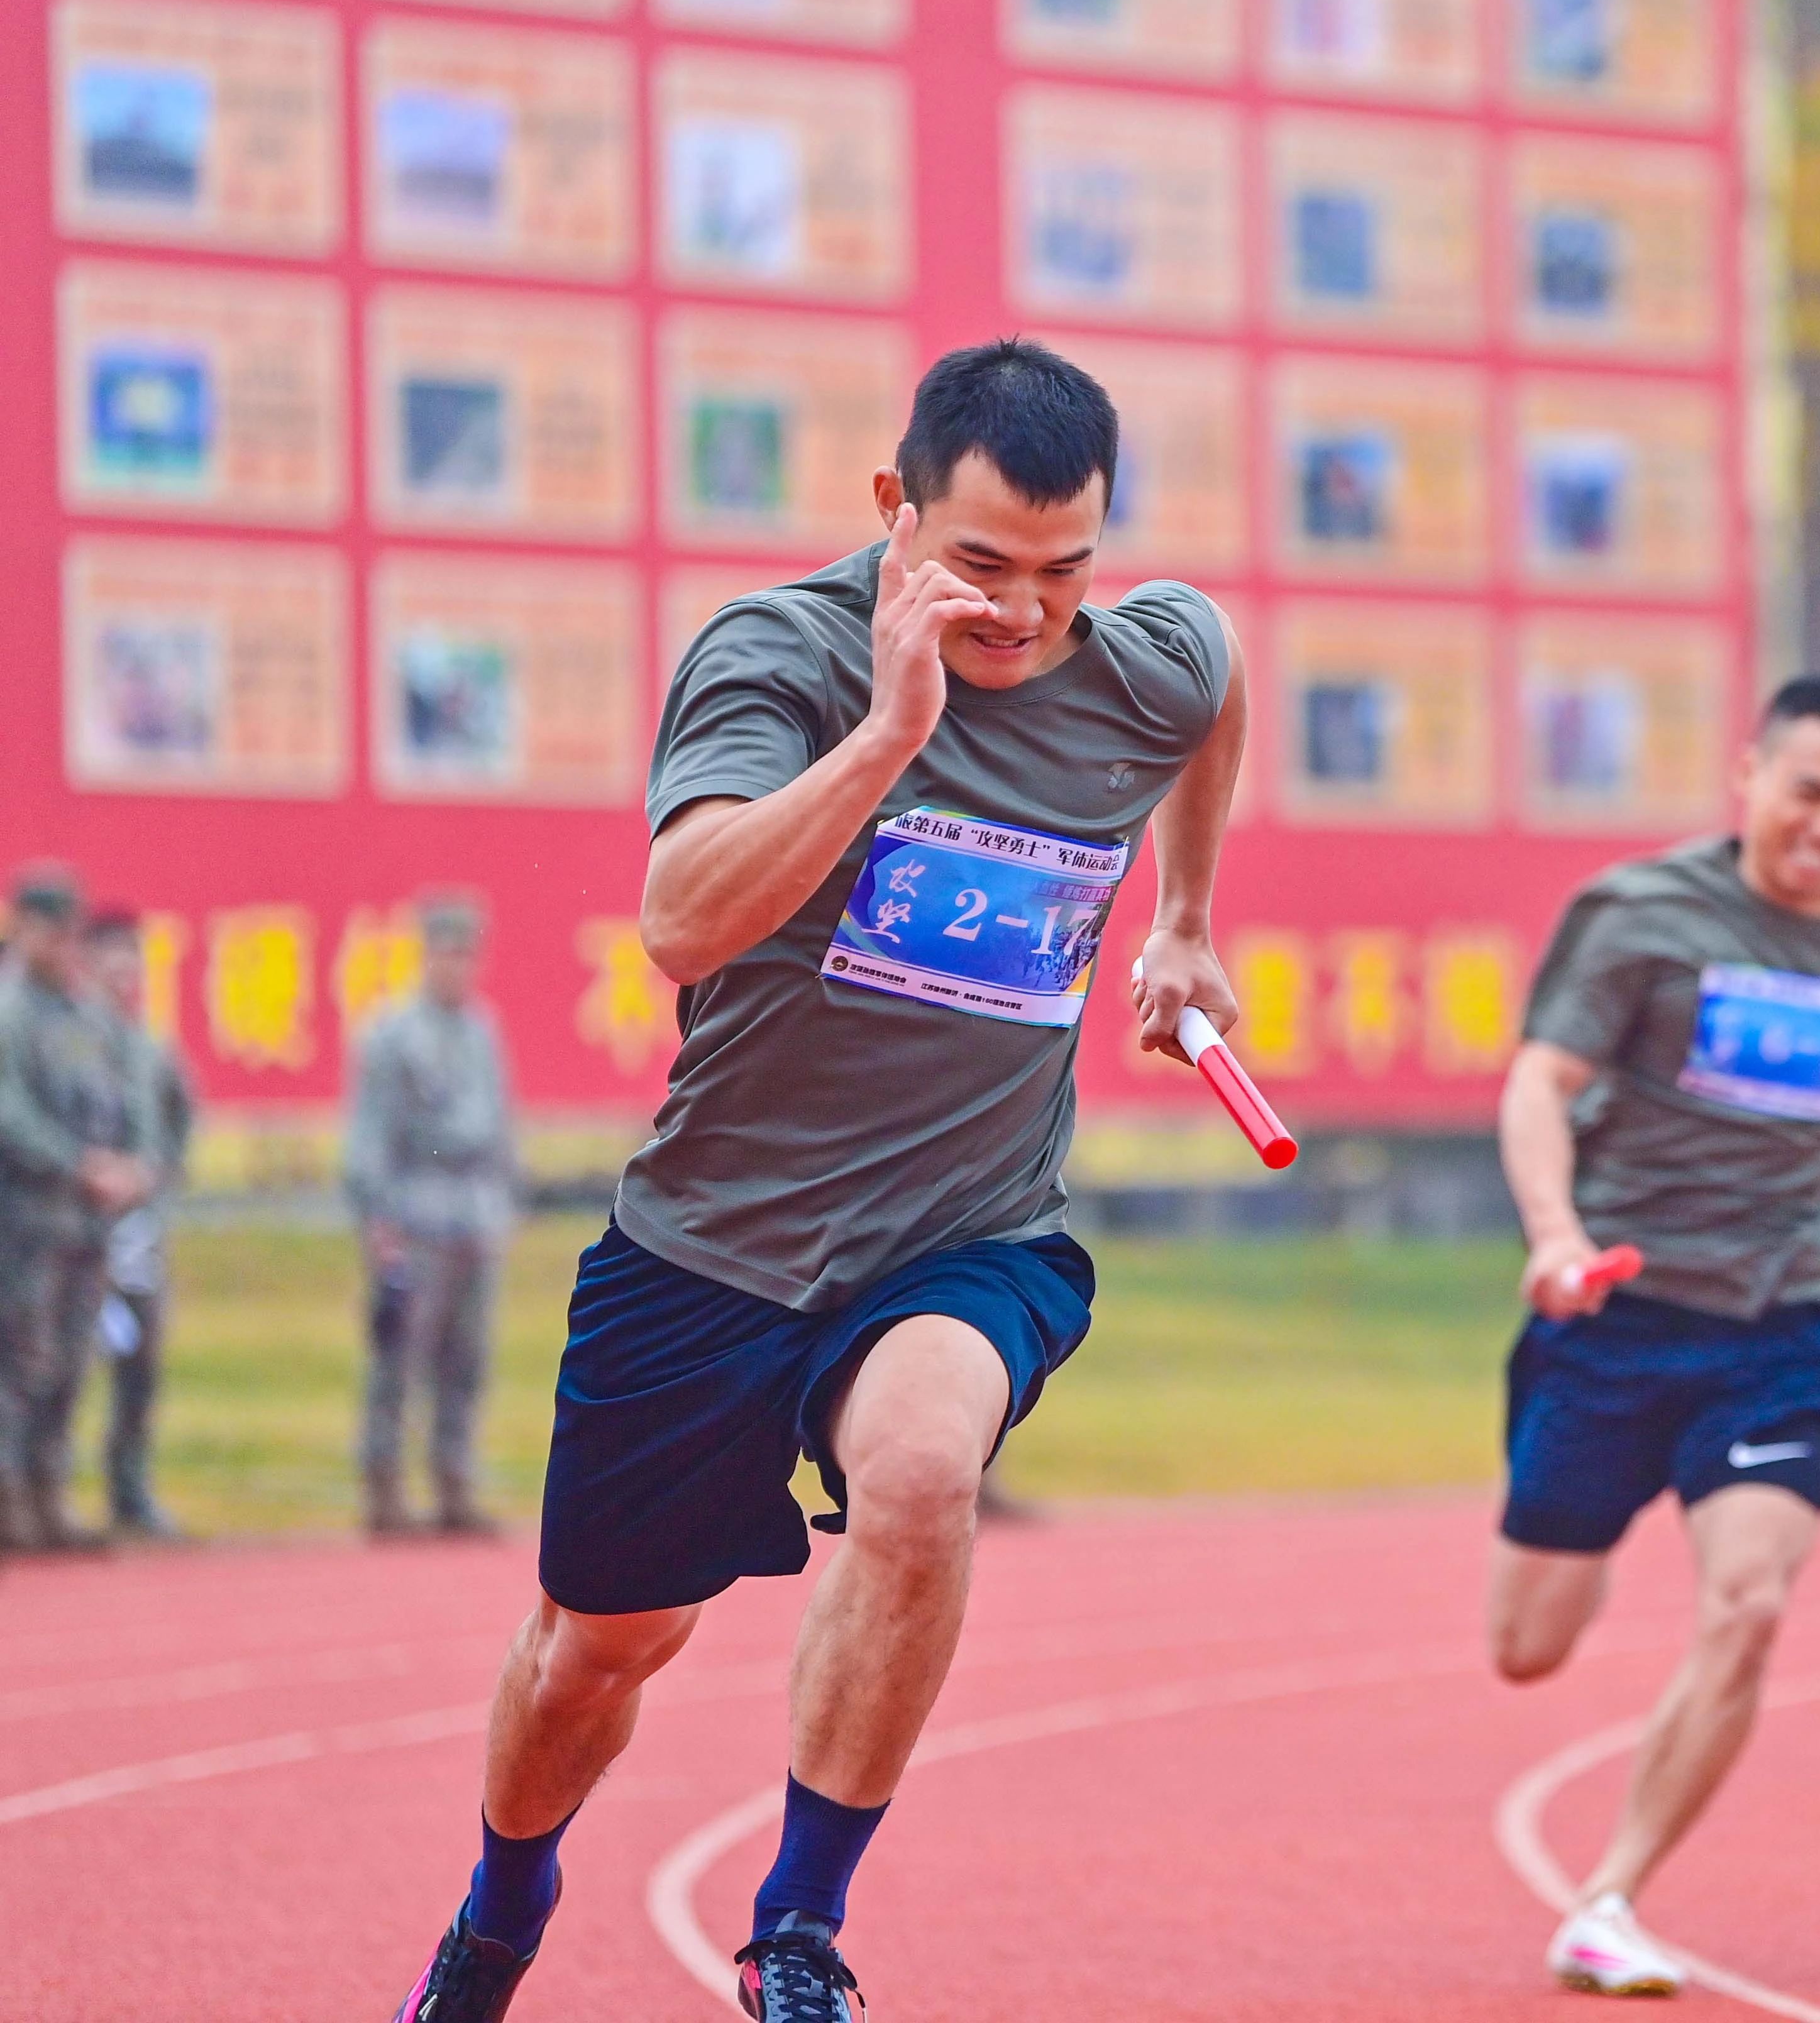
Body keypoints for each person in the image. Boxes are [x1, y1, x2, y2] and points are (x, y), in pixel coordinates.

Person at [383, 338, 1248, 2023]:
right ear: (896, 511)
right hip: (714, 1245)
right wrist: (887, 736)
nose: (1024, 612)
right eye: (981, 565)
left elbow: (1212, 680)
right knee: (598, 1654)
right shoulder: (776, 656)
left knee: (922, 1476)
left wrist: (1187, 918)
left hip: (964, 1230)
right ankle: (500, 1910)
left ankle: (798, 1930)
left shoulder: (1135, 661)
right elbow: (679, 920)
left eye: (1067, 572)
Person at [1486, 674, 1820, 1999]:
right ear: (1749, 775)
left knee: (1748, 1604)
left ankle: (1609, 1893)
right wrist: (1555, 1234)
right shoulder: (1642, 915)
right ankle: (1608, 1485)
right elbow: (1540, 1080)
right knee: (1528, 1646)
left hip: (1777, 1328)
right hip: (1615, 1314)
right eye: (1810, 790)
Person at [0, 866, 162, 1553]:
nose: (62, 942)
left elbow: (131, 1098)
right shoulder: (10, 1012)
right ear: (24, 928)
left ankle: (50, 1492)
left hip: (86, 1224)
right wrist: (78, 1163)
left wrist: (135, 1164)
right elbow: (10, 1112)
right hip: (27, 1220)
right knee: (20, 1364)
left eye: (70, 929)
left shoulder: (90, 1016)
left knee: (70, 1362)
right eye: (48, 928)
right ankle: (10, 1498)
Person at [346, 896, 518, 1538]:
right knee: (399, 1363)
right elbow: (372, 1135)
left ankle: (454, 1485)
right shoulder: (392, 1034)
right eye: (447, 952)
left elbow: (501, 1126)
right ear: (426, 954)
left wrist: (504, 1204)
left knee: (465, 1363)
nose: (459, 966)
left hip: (473, 1218)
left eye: (467, 954)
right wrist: (378, 1221)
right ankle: (385, 1489)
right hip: (415, 1216)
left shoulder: (482, 1030)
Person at [85, 908, 196, 1540]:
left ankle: (130, 1489)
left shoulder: (151, 1048)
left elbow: (182, 1114)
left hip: (139, 1233)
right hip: (78, 1226)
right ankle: (35, 1492)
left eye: (133, 959)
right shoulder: (71, 1038)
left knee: (141, 1365)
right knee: (57, 1368)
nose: (123, 972)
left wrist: (157, 1172)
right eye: (111, 958)